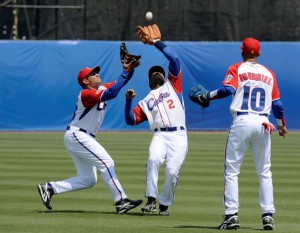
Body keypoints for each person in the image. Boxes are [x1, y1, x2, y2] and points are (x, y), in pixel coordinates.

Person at [191, 38, 287, 230]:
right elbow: (277, 105)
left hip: (242, 121)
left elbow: (228, 89)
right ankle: (268, 216)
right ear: (258, 53)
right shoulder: (269, 73)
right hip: (263, 123)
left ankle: (231, 216)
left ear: (242, 52)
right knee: (264, 172)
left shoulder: (237, 68)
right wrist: (281, 125)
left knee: (232, 172)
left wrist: (207, 95)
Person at [37, 51, 143, 214]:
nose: (97, 74)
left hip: (80, 136)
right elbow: (113, 93)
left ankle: (50, 188)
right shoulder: (86, 94)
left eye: (96, 72)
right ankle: (120, 201)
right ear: (86, 81)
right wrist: (124, 72)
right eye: (93, 74)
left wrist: (129, 70)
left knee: (88, 179)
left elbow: (118, 84)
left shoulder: (100, 88)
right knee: (107, 162)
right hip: (78, 135)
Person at [124, 24, 188, 216]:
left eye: (159, 72)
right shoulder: (146, 101)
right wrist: (128, 102)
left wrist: (156, 43)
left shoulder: (173, 85)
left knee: (172, 171)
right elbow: (130, 120)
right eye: (153, 73)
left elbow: (174, 59)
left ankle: (165, 205)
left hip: (178, 134)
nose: (157, 74)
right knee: (153, 160)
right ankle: (151, 199)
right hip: (159, 136)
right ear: (149, 80)